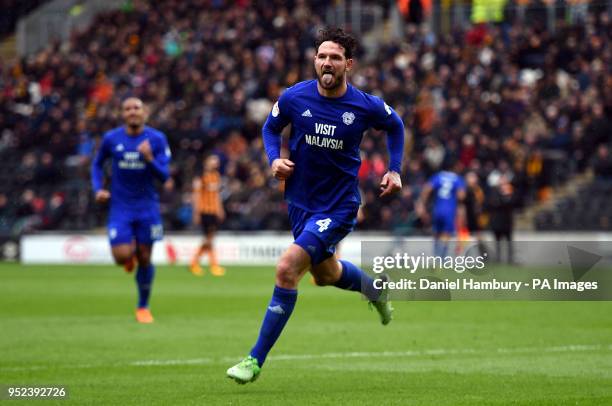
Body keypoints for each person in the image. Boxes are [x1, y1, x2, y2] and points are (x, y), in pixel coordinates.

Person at [226, 27, 404, 384]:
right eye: (322, 56)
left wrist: (395, 170)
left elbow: (396, 125)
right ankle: (374, 290)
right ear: (314, 60)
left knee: (287, 268)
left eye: (335, 57)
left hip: (338, 206)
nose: (327, 62)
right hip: (300, 202)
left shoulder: (364, 105)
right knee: (326, 275)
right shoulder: (295, 97)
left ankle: (254, 360)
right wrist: (274, 160)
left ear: (347, 64)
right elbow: (270, 128)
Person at [91, 97, 171, 324]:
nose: (132, 112)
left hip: (147, 207)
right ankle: (129, 256)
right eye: (128, 109)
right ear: (122, 114)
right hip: (121, 206)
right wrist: (98, 189)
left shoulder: (157, 139)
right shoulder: (111, 138)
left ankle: (143, 306)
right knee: (121, 256)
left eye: (137, 107)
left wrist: (148, 158)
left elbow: (164, 176)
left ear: (144, 111)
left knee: (145, 257)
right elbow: (97, 164)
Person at [416, 163, 466, 258]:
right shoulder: (457, 179)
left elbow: (427, 189)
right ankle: (441, 257)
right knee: (446, 234)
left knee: (436, 233)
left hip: (437, 209)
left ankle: (435, 256)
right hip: (449, 210)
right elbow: (461, 196)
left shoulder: (438, 176)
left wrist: (422, 203)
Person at [190, 154, 226, 276]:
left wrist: (220, 209)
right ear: (206, 162)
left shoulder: (216, 176)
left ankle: (201, 264)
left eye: (217, 160)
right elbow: (196, 195)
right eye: (213, 160)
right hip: (204, 211)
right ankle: (203, 264)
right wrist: (196, 212)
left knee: (209, 239)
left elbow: (217, 195)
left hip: (213, 211)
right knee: (209, 239)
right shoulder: (200, 177)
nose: (216, 162)